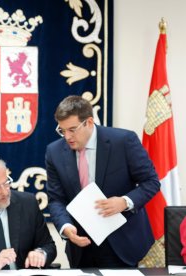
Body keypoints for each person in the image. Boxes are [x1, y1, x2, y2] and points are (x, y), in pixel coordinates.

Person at [45, 95, 160, 268]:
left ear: (89, 122)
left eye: (72, 129)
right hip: (82, 246)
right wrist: (65, 226)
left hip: (123, 242)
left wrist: (124, 202)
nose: (67, 136)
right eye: (62, 130)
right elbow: (56, 199)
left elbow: (151, 182)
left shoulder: (123, 141)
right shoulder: (54, 152)